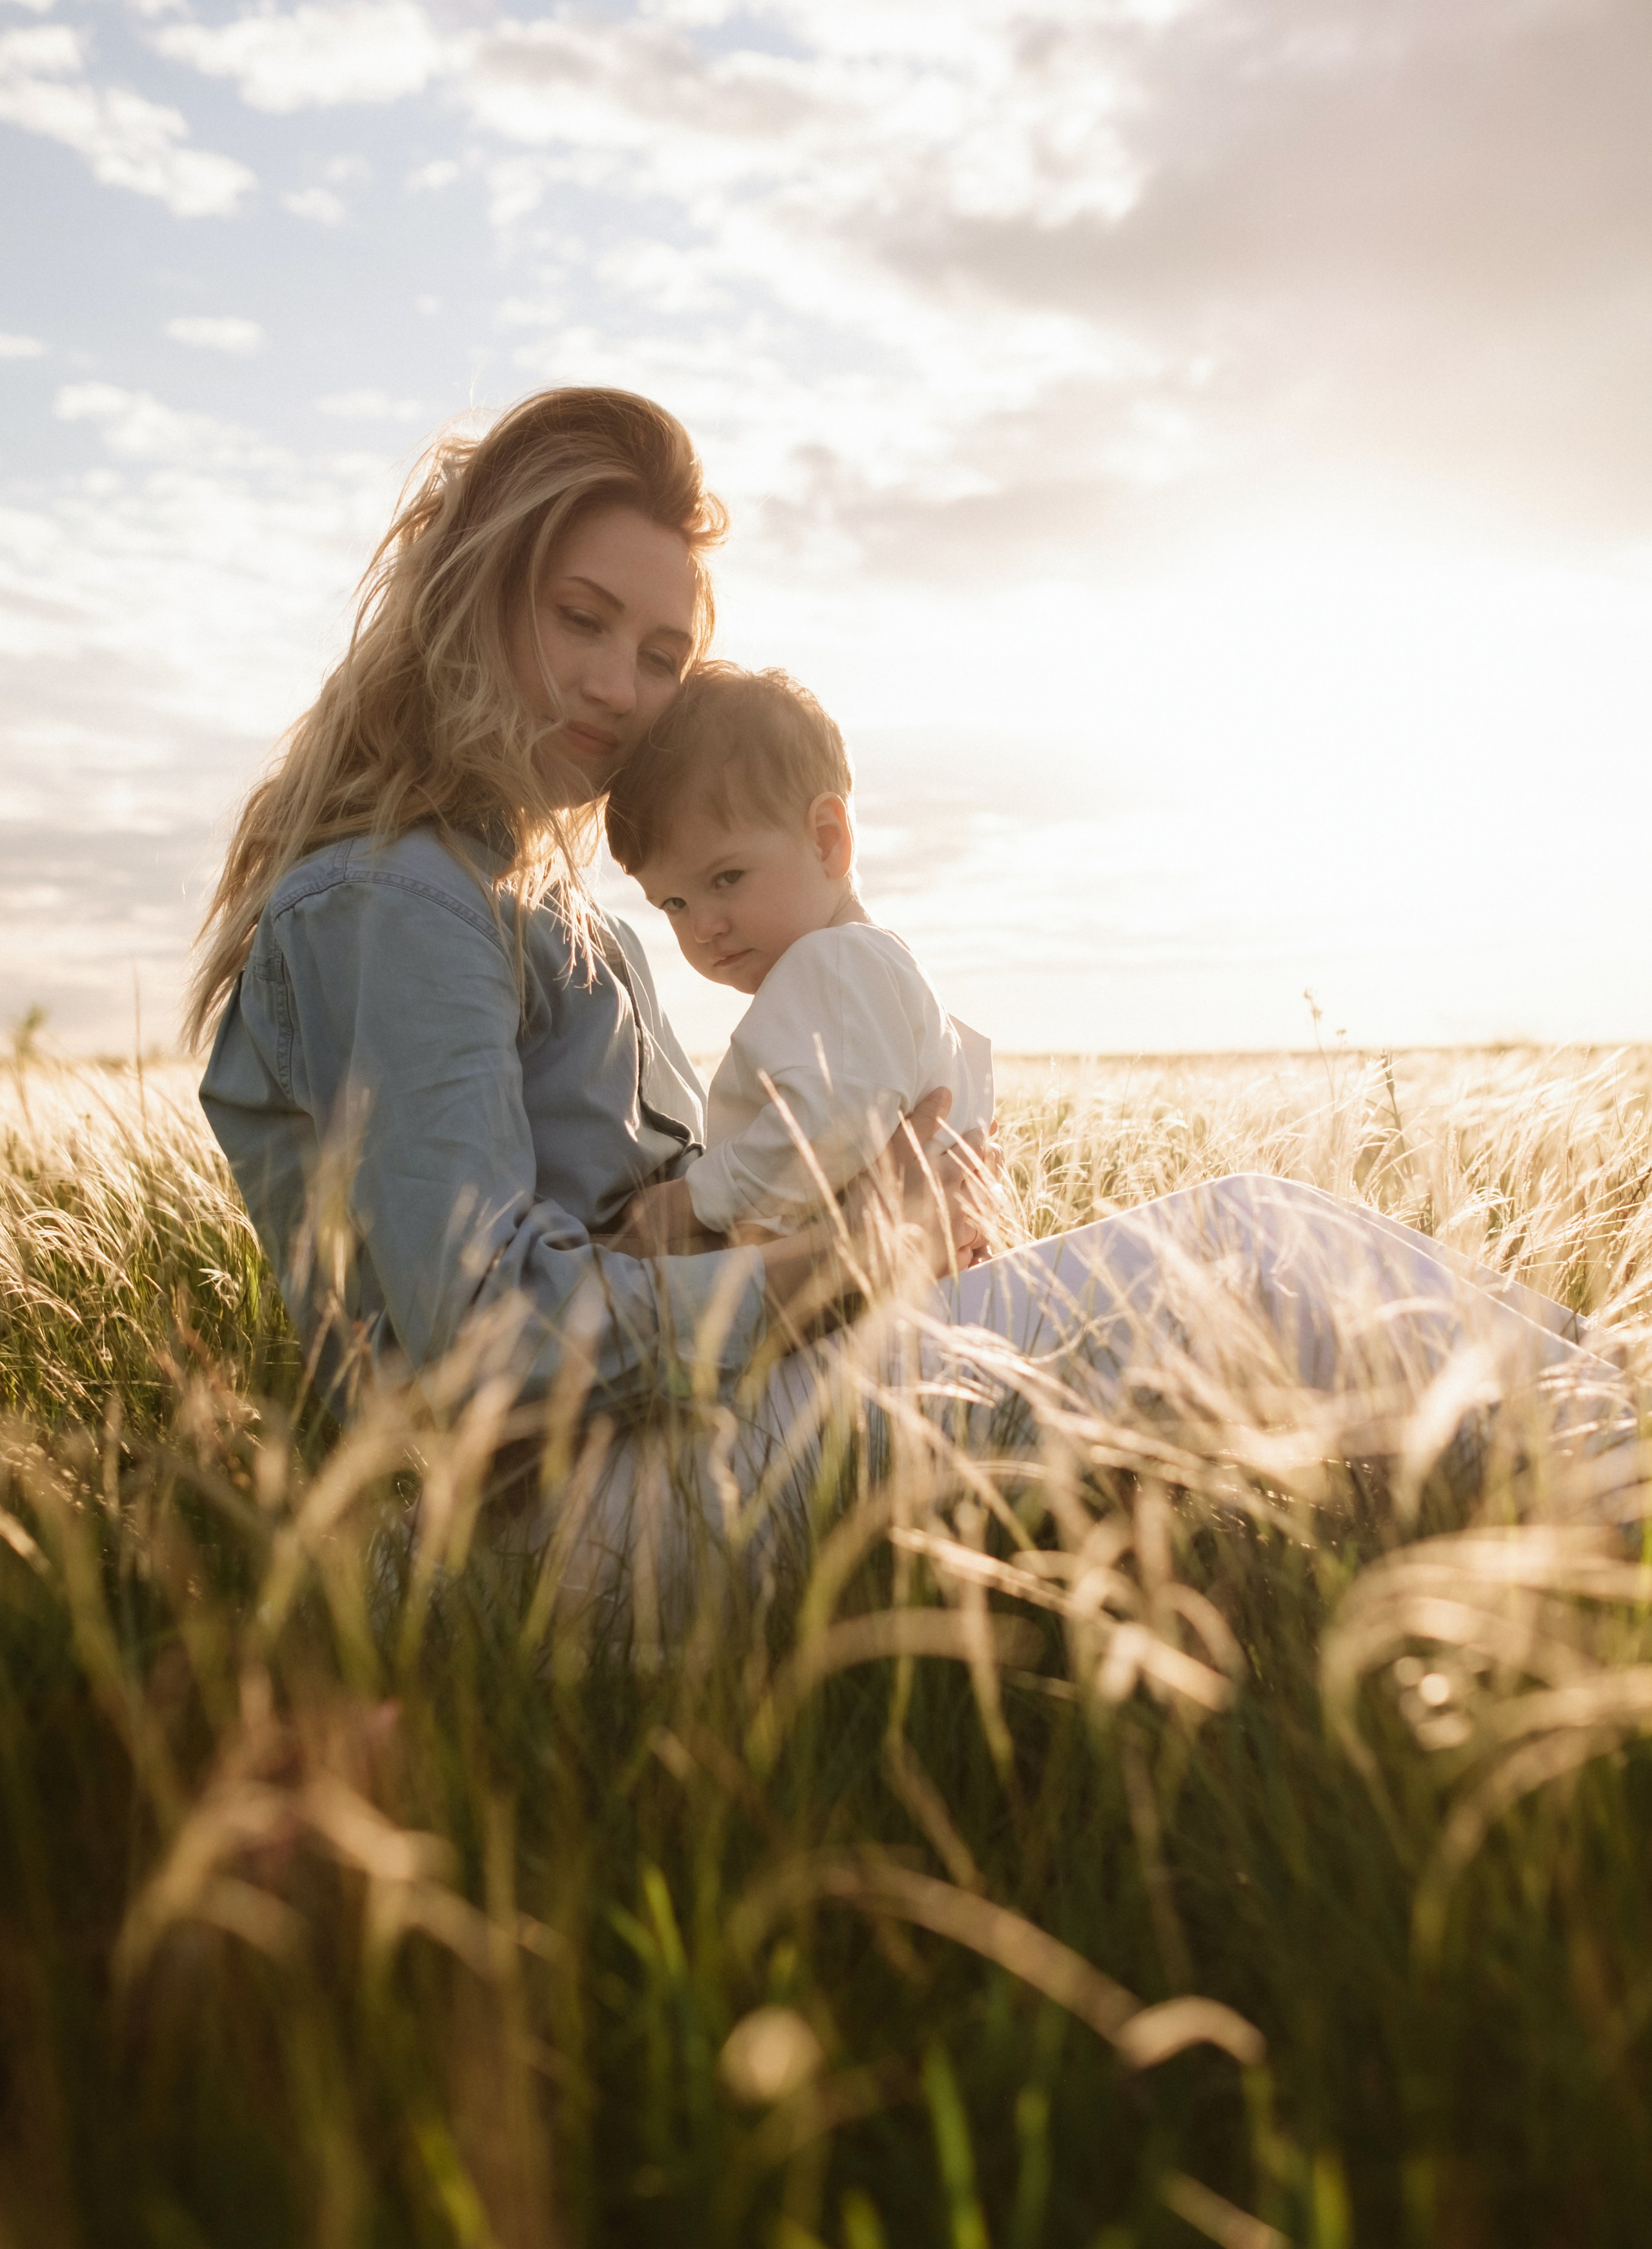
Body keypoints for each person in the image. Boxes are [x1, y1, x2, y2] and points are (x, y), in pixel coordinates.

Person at [189, 384, 1637, 1636]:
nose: (618, 689)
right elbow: (484, 1340)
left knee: (1254, 1292)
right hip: (572, 1519)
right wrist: (842, 1263)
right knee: (1251, 1252)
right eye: (582, 619)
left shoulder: (521, 899)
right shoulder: (392, 901)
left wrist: (884, 1239)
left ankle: (1596, 1488)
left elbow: (673, 1213)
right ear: (471, 583)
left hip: (679, 1448)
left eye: (659, 655)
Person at [601, 661, 993, 1253]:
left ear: (827, 839)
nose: (703, 926)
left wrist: (686, 1201)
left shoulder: (836, 962)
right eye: (674, 902)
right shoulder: (868, 967)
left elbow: (832, 1131)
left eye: (727, 877)